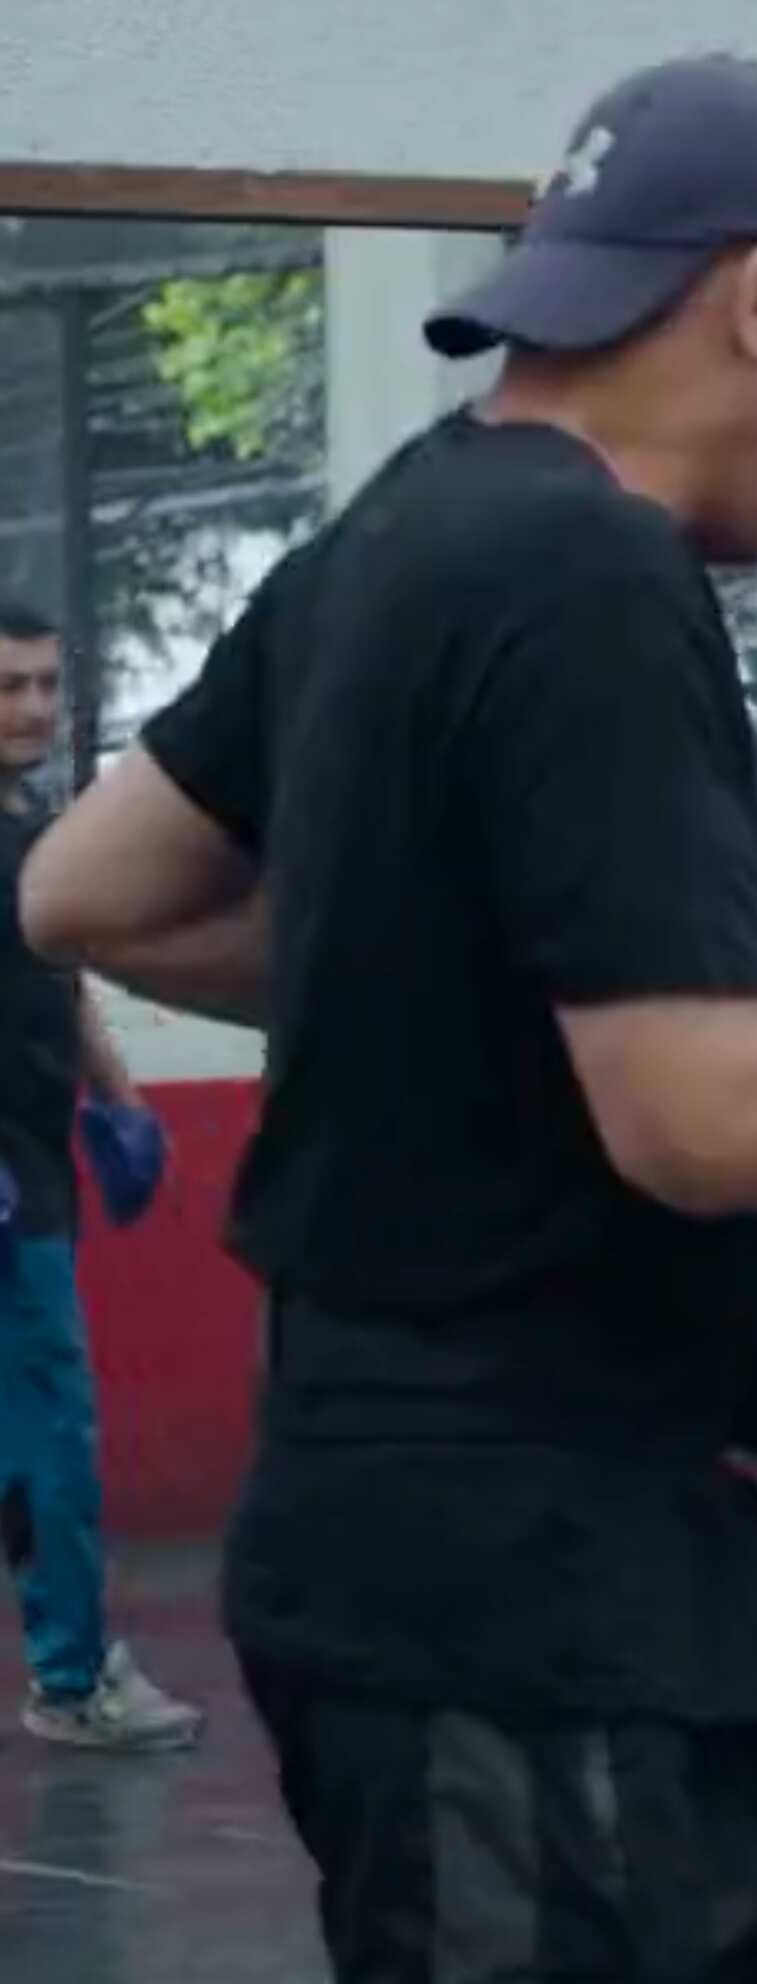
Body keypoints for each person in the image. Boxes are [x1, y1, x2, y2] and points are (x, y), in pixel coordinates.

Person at [18, 54, 757, 1978]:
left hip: (640, 1561)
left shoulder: (404, 527)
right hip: (485, 1594)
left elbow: (86, 885)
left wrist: (444, 969)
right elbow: (694, 1112)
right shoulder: (592, 567)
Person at [0, 596, 202, 1753]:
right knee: (52, 1427)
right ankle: (74, 1681)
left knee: (38, 1428)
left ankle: (70, 1666)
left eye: (43, 683)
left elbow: (58, 978)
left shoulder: (34, 829)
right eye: (6, 686)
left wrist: (119, 1095)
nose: (31, 707)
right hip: (9, 1185)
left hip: (39, 1163)